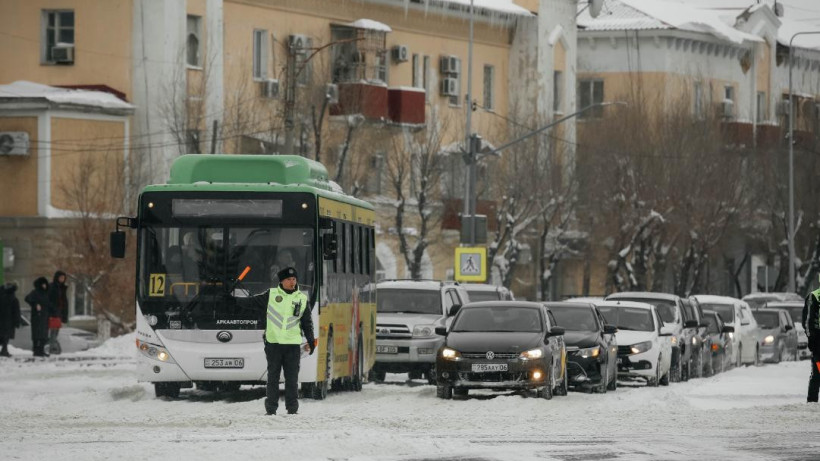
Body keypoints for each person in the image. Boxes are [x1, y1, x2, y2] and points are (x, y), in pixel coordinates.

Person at [263, 267, 315, 415]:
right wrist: (232, 299)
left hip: (292, 346)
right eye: (289, 279)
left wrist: (311, 340)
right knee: (273, 378)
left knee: (292, 379)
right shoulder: (271, 295)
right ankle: (271, 409)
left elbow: (307, 322)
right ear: (281, 281)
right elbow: (252, 303)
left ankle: (292, 409)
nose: (292, 282)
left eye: (294, 279)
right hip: (274, 344)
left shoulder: (301, 298)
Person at [24, 277, 51, 357]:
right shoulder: (35, 292)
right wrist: (35, 304)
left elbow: (49, 304)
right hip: (37, 316)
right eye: (43, 284)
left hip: (45, 316)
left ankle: (41, 350)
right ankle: (36, 350)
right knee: (37, 334)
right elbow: (27, 298)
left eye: (45, 284)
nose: (45, 285)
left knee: (44, 335)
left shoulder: (47, 293)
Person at [47, 271, 69, 355]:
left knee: (56, 332)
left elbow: (64, 302)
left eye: (63, 278)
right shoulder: (52, 287)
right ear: (57, 277)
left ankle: (53, 348)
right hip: (53, 313)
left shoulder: (62, 288)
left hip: (59, 313)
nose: (62, 279)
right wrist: (53, 310)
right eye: (61, 277)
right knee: (53, 331)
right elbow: (49, 300)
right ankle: (52, 348)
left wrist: (64, 315)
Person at [0, 282, 22, 357]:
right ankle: (4, 351)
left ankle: (4, 351)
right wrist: (17, 322)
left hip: (1, 320)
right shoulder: (13, 299)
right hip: (9, 321)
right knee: (6, 337)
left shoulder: (1, 296)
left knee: (2, 336)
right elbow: (16, 312)